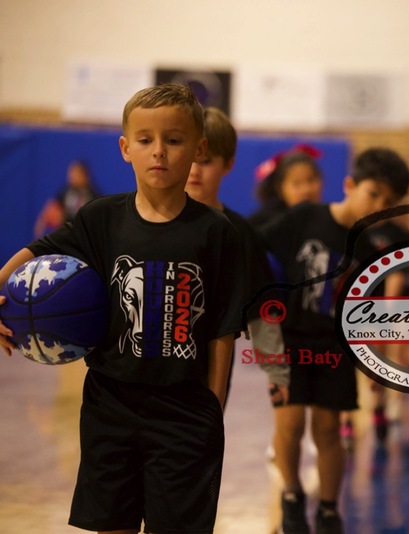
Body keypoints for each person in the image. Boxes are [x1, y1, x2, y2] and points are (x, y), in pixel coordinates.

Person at [0, 83, 244, 534]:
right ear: (125, 148)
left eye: (174, 140)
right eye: (146, 140)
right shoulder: (101, 218)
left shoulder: (217, 232)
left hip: (185, 410)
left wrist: (213, 409)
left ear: (198, 148)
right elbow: (37, 250)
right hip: (109, 403)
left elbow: (222, 332)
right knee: (111, 525)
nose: (159, 152)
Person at [254, 147, 409, 534]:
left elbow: (368, 315)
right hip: (286, 339)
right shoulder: (305, 216)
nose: (378, 206)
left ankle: (328, 509)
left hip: (334, 347)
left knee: (327, 429)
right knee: (289, 423)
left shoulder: (369, 249)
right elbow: (257, 251)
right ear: (349, 184)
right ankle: (291, 495)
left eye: (388, 203)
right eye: (372, 194)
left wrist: (376, 363)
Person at [184, 106, 273, 410]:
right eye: (190, 159)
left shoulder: (239, 232)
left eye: (206, 161)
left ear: (228, 164)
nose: (195, 170)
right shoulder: (151, 222)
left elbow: (262, 305)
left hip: (212, 363)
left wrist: (275, 369)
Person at [248, 144, 324, 228]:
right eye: (297, 183)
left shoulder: (328, 220)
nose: (305, 189)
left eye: (310, 180)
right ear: (280, 189)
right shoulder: (263, 224)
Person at [34, 160, 101, 238]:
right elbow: (49, 210)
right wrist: (41, 226)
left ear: (85, 175)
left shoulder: (94, 195)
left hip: (85, 236)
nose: (71, 176)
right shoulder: (65, 192)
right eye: (71, 173)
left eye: (76, 173)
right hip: (67, 235)